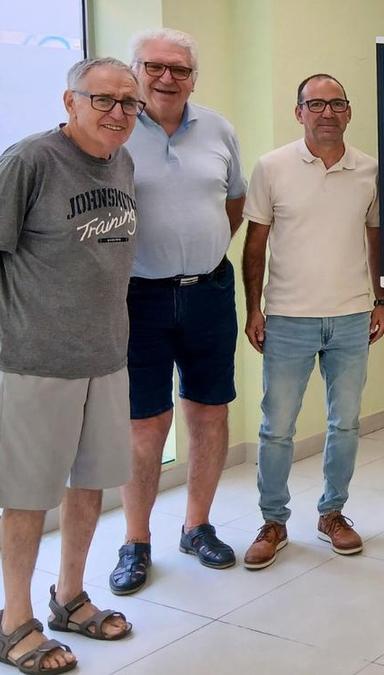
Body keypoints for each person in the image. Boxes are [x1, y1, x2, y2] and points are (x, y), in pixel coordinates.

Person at [0, 57, 140, 674]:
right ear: (70, 101)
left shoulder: (124, 161)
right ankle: (14, 623)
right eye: (103, 100)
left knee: (90, 482)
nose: (118, 113)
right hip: (35, 360)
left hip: (106, 357)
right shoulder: (29, 161)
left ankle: (69, 596)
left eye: (128, 103)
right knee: (28, 497)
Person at [108, 28, 247, 596]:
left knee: (210, 412)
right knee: (145, 426)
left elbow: (234, 202)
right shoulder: (112, 130)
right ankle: (135, 542)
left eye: (180, 69)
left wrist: (203, 249)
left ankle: (196, 527)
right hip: (136, 296)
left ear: (194, 76)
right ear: (136, 69)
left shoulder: (218, 128)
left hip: (209, 290)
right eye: (155, 66)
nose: (167, 78)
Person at [240, 73, 384, 569]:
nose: (327, 112)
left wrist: (380, 300)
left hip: (351, 317)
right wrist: (254, 308)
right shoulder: (272, 167)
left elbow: (375, 239)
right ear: (298, 112)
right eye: (316, 104)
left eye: (337, 103)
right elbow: (255, 242)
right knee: (277, 427)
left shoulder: (369, 169)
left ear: (349, 112)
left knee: (345, 423)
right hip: (288, 318)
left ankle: (332, 514)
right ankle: (273, 521)